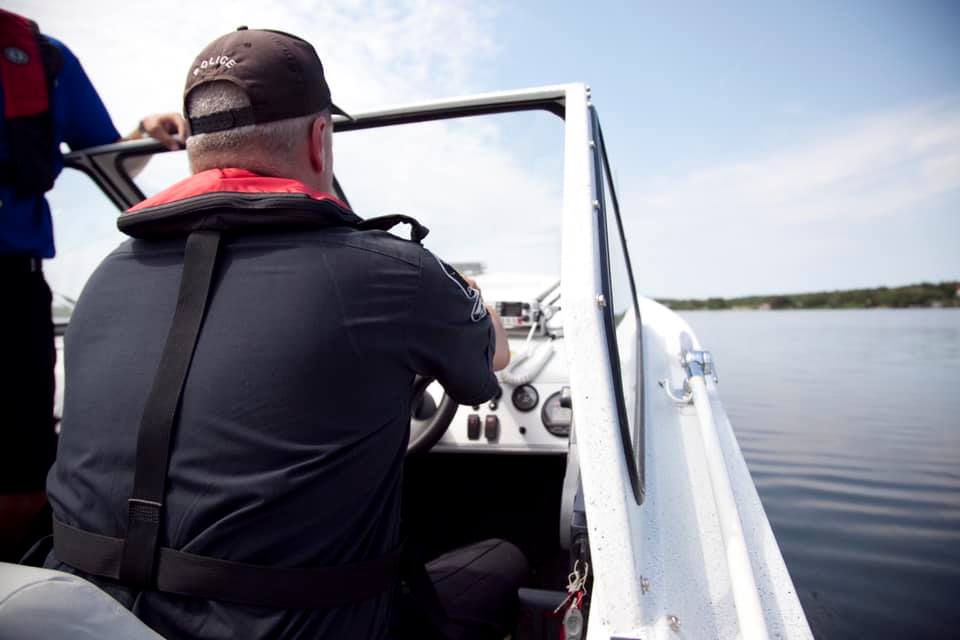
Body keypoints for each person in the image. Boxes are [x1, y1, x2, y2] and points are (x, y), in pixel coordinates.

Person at [43, 27, 526, 639]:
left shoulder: (107, 275)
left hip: (85, 619)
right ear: (320, 139)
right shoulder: (394, 272)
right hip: (302, 628)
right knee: (504, 559)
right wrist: (471, 299)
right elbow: (492, 362)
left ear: (195, 146)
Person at [0, 8, 186, 562]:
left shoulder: (45, 58)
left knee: (20, 477)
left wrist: (145, 136)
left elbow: (109, 160)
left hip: (10, 288)